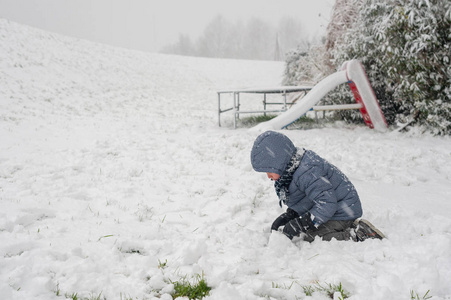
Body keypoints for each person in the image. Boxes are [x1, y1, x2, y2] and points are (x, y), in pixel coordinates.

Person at [250, 130, 385, 242]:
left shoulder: (307, 172)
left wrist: (304, 222)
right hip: (334, 209)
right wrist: (292, 214)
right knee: (307, 231)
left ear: (279, 162)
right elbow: (308, 197)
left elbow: (326, 203)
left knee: (311, 237)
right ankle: (347, 226)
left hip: (341, 211)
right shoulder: (292, 169)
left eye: (269, 170)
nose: (268, 176)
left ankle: (358, 234)